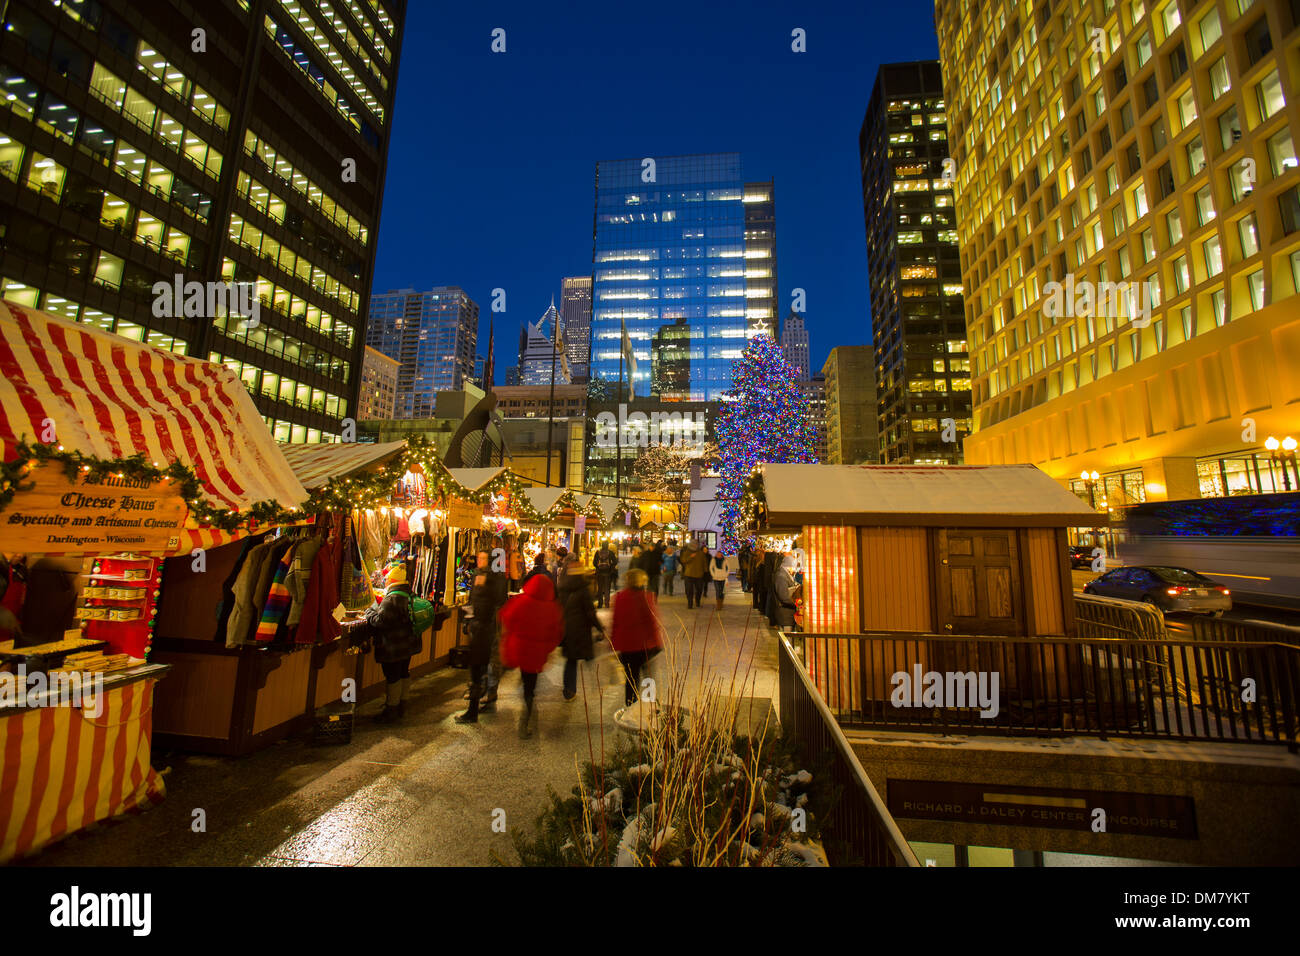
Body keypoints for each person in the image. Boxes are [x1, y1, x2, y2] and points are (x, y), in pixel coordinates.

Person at [347, 565, 421, 723]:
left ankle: (391, 709)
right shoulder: (410, 594)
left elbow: (379, 621)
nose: (385, 580)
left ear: (392, 580)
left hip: (393, 646)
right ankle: (402, 704)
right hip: (407, 644)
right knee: (403, 672)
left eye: (387, 578)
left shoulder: (392, 598)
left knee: (392, 676)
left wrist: (368, 612)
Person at [500, 573, 562, 738]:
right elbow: (556, 633)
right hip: (536, 654)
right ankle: (525, 720)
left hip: (519, 648)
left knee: (517, 673)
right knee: (530, 687)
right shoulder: (551, 607)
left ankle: (492, 689)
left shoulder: (520, 601)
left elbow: (506, 617)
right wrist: (548, 649)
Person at [456, 552, 506, 724]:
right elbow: (474, 600)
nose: (480, 561)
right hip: (477, 626)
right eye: (479, 558)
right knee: (477, 669)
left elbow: (496, 601)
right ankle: (476, 704)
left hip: (486, 628)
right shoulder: (478, 575)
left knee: (480, 667)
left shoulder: (494, 578)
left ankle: (475, 707)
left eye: (484, 559)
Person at [609, 568, 663, 708]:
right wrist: (657, 642)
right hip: (646, 646)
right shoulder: (647, 597)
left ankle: (630, 708)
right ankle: (650, 705)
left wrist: (613, 644)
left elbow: (615, 622)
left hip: (627, 647)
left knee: (631, 679)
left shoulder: (619, 597)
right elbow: (652, 621)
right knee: (648, 678)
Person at [558, 555, 604, 701]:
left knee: (571, 660)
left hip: (567, 629)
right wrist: (599, 627)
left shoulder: (562, 588)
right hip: (581, 629)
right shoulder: (583, 590)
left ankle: (569, 690)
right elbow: (590, 612)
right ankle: (595, 684)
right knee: (586, 657)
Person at [773, 553, 799, 631]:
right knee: (787, 639)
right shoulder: (781, 576)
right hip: (785, 615)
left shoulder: (786, 574)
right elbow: (784, 597)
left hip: (788, 614)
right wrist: (797, 603)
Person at [681, 540, 710, 609]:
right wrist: (690, 557)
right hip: (689, 574)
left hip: (699, 575)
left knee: (699, 589)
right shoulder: (687, 552)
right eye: (693, 544)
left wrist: (706, 572)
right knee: (689, 590)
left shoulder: (701, 553)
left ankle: (697, 601)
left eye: (696, 544)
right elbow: (683, 561)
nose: (695, 546)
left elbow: (704, 563)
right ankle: (690, 603)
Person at [593, 539, 618, 608]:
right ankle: (607, 603)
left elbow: (594, 563)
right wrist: (611, 567)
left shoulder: (598, 552)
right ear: (607, 546)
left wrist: (598, 567)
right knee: (607, 589)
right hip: (608, 573)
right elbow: (615, 561)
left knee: (600, 589)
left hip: (599, 574)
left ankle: (600, 604)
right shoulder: (610, 553)